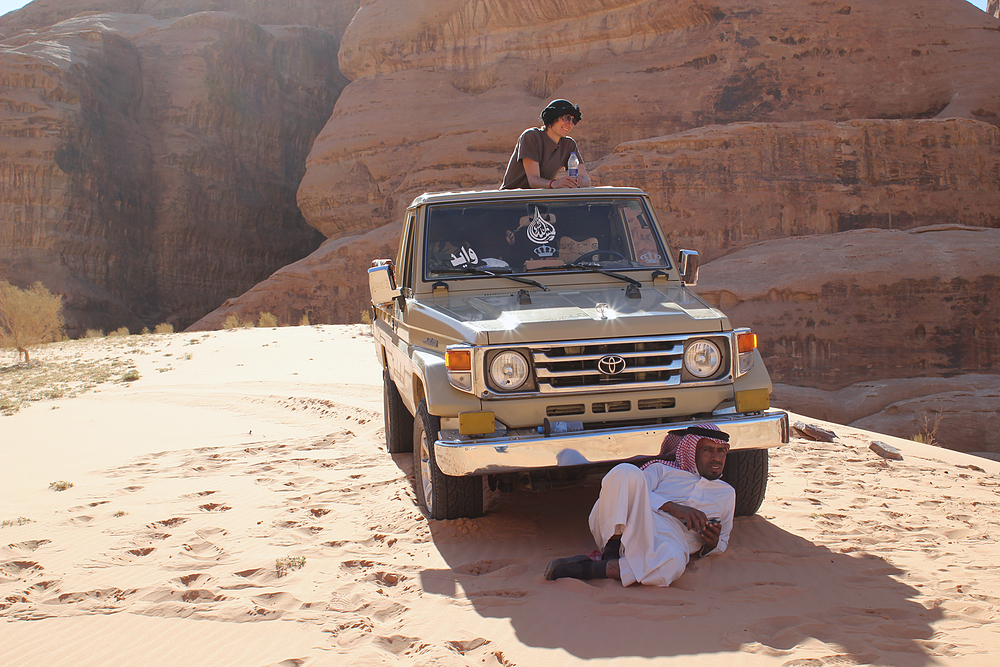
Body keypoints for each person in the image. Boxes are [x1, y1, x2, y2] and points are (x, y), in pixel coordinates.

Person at [544, 423, 735, 586]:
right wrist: (672, 507)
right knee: (625, 472)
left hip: (667, 544)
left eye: (720, 451)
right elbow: (628, 490)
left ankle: (594, 568)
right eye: (707, 450)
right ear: (692, 452)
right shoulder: (663, 471)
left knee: (673, 563)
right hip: (632, 523)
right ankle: (613, 548)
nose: (716, 458)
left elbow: (722, 542)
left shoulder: (727, 494)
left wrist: (712, 543)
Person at [500, 99, 592, 190]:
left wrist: (579, 182)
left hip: (540, 198)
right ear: (553, 116)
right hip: (510, 199)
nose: (570, 124)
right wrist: (554, 183)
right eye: (567, 118)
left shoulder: (569, 144)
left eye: (573, 121)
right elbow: (533, 181)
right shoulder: (531, 137)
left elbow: (586, 180)